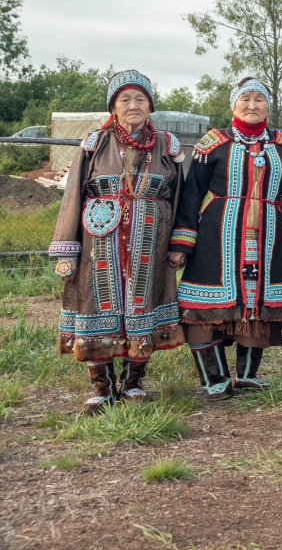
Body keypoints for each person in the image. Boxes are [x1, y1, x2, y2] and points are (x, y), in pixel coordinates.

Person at [50, 70, 185, 413]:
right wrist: (68, 249)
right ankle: (102, 385)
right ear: (113, 106)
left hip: (151, 242)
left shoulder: (167, 146)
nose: (133, 105)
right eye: (125, 99)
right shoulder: (94, 143)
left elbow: (183, 198)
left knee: (145, 304)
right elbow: (73, 196)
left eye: (140, 98)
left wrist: (179, 244)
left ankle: (133, 382)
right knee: (95, 303)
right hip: (100, 240)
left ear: (150, 106)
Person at [170, 78, 282, 399]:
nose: (252, 105)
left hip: (267, 237)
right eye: (245, 99)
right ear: (233, 105)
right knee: (202, 304)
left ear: (269, 106)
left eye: (260, 99)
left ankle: (247, 376)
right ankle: (214, 379)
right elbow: (191, 194)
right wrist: (182, 243)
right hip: (215, 237)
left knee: (258, 306)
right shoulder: (212, 143)